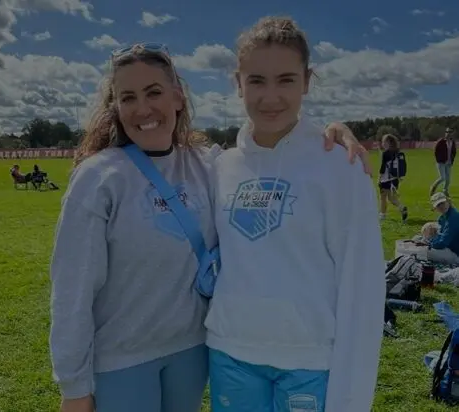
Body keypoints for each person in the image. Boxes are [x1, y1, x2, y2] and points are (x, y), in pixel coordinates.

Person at [50, 42, 370, 412]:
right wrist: (73, 386)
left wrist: (327, 133)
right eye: (128, 97)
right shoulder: (98, 177)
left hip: (192, 353)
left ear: (178, 97)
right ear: (116, 108)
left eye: (154, 92)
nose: (143, 108)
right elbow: (71, 289)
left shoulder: (209, 166)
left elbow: (267, 153)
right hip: (122, 362)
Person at [205, 16, 385, 412]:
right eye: (256, 81)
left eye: (285, 80)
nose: (271, 96)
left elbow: (363, 282)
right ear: (238, 83)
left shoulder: (342, 168)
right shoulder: (220, 167)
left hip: (309, 359)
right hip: (231, 351)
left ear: (307, 81)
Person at [416, 192, 459, 264]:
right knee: (416, 238)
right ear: (435, 208)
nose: (441, 206)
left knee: (420, 251)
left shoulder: (453, 218)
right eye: (438, 205)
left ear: (448, 201)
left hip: (455, 254)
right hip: (448, 248)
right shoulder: (443, 217)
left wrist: (428, 243)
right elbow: (440, 237)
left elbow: (442, 243)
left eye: (443, 203)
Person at [378, 134, 408, 222]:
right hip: (395, 179)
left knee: (383, 197)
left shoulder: (386, 153)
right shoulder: (397, 152)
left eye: (384, 141)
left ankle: (382, 215)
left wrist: (379, 178)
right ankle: (402, 208)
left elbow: (383, 168)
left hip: (386, 179)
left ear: (388, 142)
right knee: (391, 198)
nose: (382, 143)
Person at [431, 127, 456, 197]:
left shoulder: (452, 142)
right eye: (447, 132)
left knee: (448, 179)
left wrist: (452, 160)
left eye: (450, 132)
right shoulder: (441, 141)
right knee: (442, 178)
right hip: (441, 162)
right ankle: (433, 187)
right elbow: (435, 151)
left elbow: (454, 151)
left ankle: (445, 191)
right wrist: (438, 160)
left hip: (449, 163)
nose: (448, 134)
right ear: (445, 133)